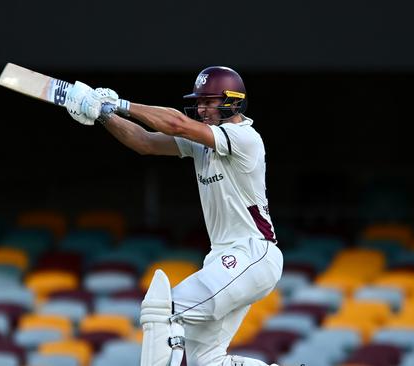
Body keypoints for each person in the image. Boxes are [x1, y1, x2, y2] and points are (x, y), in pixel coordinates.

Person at [65, 66, 283, 366]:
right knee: (206, 361)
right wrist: (102, 115)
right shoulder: (203, 143)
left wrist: (118, 104)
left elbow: (177, 124)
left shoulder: (244, 138)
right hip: (224, 257)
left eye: (209, 101)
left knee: (165, 309)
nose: (202, 109)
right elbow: (144, 142)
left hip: (253, 252)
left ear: (232, 101)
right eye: (200, 102)